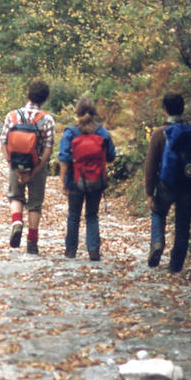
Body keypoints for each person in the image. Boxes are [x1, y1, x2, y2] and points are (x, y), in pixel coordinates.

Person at [144, 93, 191, 272]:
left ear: (165, 109)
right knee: (183, 224)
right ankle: (176, 265)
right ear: (183, 108)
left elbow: (151, 165)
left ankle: (157, 243)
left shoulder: (159, 133)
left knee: (158, 213)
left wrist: (150, 193)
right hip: (189, 185)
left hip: (167, 185)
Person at [0, 80, 55, 255]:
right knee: (35, 204)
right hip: (36, 165)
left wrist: (12, 165)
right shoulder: (47, 120)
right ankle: (32, 242)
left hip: (16, 164)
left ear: (28, 94)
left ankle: (17, 222)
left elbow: (3, 142)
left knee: (15, 196)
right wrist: (36, 170)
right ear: (44, 99)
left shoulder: (12, 116)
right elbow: (48, 148)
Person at [58, 97, 116, 261]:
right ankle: (93, 250)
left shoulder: (70, 132)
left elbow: (64, 158)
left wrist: (63, 181)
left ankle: (70, 251)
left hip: (75, 180)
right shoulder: (102, 132)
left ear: (77, 113)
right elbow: (111, 155)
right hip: (97, 179)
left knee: (73, 215)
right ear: (94, 113)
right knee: (92, 215)